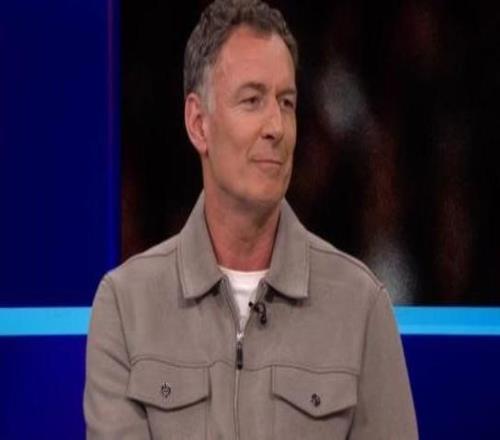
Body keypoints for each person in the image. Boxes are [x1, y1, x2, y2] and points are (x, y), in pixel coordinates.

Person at [84, 0, 418, 438]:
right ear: (198, 123)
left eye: (286, 102)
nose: (276, 126)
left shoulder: (361, 306)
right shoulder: (126, 306)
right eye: (252, 100)